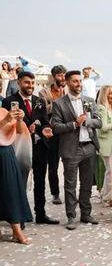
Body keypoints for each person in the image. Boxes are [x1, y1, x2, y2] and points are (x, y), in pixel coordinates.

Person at [1, 71, 58, 224]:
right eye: (27, 82)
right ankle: (18, 217)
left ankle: (40, 214)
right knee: (19, 182)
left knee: (40, 183)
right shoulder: (8, 102)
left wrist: (46, 128)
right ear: (18, 82)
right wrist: (25, 127)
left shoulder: (39, 100)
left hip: (40, 146)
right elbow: (8, 125)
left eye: (32, 83)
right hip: (20, 147)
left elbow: (44, 121)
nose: (30, 86)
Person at [50, 70, 102, 230]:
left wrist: (88, 122)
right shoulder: (59, 103)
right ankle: (71, 216)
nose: (78, 84)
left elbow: (98, 122)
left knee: (87, 184)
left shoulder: (90, 101)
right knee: (70, 184)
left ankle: (86, 213)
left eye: (80, 81)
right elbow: (55, 126)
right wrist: (74, 124)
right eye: (75, 81)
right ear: (66, 83)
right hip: (71, 149)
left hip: (89, 147)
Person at [0, 107, 32, 244]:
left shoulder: (3, 110)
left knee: (12, 189)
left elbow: (18, 131)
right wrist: (6, 120)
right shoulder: (5, 115)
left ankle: (16, 229)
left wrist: (19, 120)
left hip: (5, 153)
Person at [39, 65, 67, 205]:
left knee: (69, 164)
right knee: (53, 165)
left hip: (67, 131)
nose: (63, 78)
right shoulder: (44, 92)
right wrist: (59, 102)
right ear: (54, 76)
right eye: (60, 75)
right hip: (52, 132)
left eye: (64, 75)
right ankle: (55, 193)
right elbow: (43, 110)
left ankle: (69, 191)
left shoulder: (68, 89)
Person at [95, 86, 112, 207]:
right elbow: (102, 127)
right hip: (105, 143)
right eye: (110, 93)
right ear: (104, 95)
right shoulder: (101, 109)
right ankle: (107, 198)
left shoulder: (110, 109)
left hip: (111, 143)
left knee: (109, 171)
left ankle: (105, 194)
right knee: (110, 171)